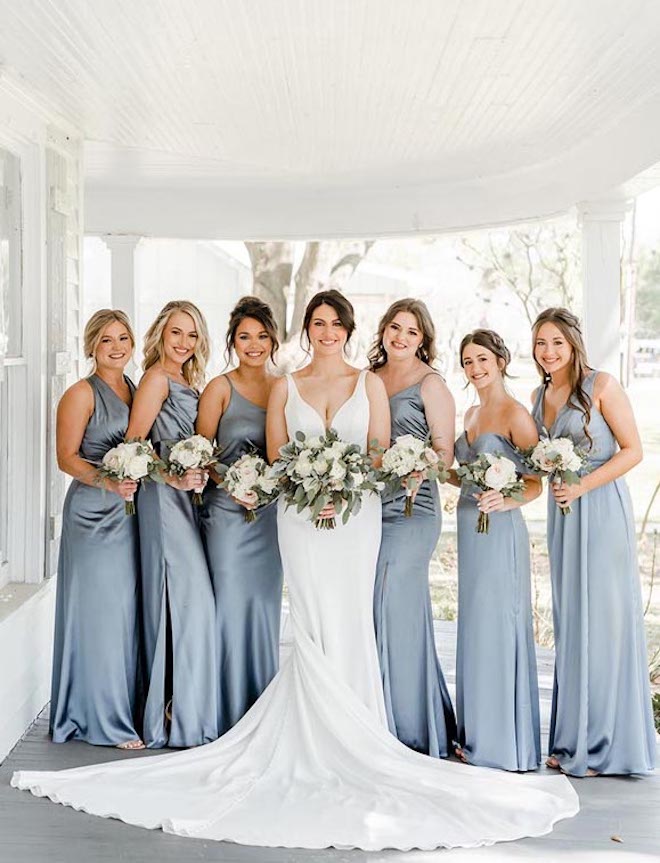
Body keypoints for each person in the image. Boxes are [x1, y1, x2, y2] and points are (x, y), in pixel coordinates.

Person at [12, 295, 578, 851]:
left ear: (349, 331)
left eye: (335, 323)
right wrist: (313, 490)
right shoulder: (285, 386)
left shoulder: (371, 384)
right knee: (309, 618)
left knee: (352, 617)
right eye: (317, 323)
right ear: (306, 331)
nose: (327, 331)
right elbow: (280, 456)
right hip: (298, 518)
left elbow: (379, 451)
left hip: (357, 519)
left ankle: (361, 731)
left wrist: (343, 486)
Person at [531, 307, 655, 777]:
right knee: (574, 621)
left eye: (557, 343)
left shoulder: (602, 386)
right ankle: (573, 739)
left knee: (604, 620)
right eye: (541, 343)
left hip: (601, 511)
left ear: (574, 343)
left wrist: (584, 485)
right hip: (563, 515)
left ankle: (607, 744)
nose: (549, 352)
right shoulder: (539, 394)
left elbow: (634, 451)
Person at [126, 300, 218, 748]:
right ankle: (168, 712)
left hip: (185, 500)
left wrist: (196, 475)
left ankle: (179, 705)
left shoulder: (189, 381)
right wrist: (173, 476)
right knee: (187, 600)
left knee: (187, 603)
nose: (183, 342)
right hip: (161, 501)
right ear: (161, 333)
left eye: (192, 335)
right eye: (176, 332)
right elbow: (133, 447)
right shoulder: (155, 378)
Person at [49, 309, 143, 749]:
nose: (117, 347)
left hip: (129, 514)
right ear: (92, 347)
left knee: (123, 614)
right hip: (91, 514)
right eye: (107, 340)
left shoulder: (137, 389)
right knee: (100, 614)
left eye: (123, 338)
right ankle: (102, 720)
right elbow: (66, 458)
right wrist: (108, 479)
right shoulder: (80, 394)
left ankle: (121, 706)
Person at [451, 329, 542, 771]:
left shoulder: (516, 414)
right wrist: (434, 472)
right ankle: (475, 734)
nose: (476, 368)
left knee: (497, 625)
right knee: (475, 625)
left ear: (501, 360)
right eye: (468, 361)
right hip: (468, 529)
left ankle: (502, 742)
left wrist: (504, 500)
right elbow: (464, 476)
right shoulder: (469, 412)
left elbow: (535, 482)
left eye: (482, 358)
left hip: (500, 531)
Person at [369, 298, 456, 757]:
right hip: (367, 509)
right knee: (374, 607)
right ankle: (378, 712)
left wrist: (419, 467)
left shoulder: (431, 384)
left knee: (395, 603)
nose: (400, 337)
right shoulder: (368, 379)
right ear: (383, 331)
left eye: (411, 332)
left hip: (412, 508)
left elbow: (445, 455)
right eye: (395, 328)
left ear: (423, 340)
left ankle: (410, 728)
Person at [197, 297, 283, 735]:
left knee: (264, 608)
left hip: (270, 520)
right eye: (245, 337)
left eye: (262, 336)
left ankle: (261, 711)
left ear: (274, 339)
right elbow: (201, 454)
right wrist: (233, 483)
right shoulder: (220, 388)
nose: (254, 345)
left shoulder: (285, 386)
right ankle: (222, 711)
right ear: (232, 341)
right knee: (228, 606)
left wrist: (268, 487)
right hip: (227, 517)